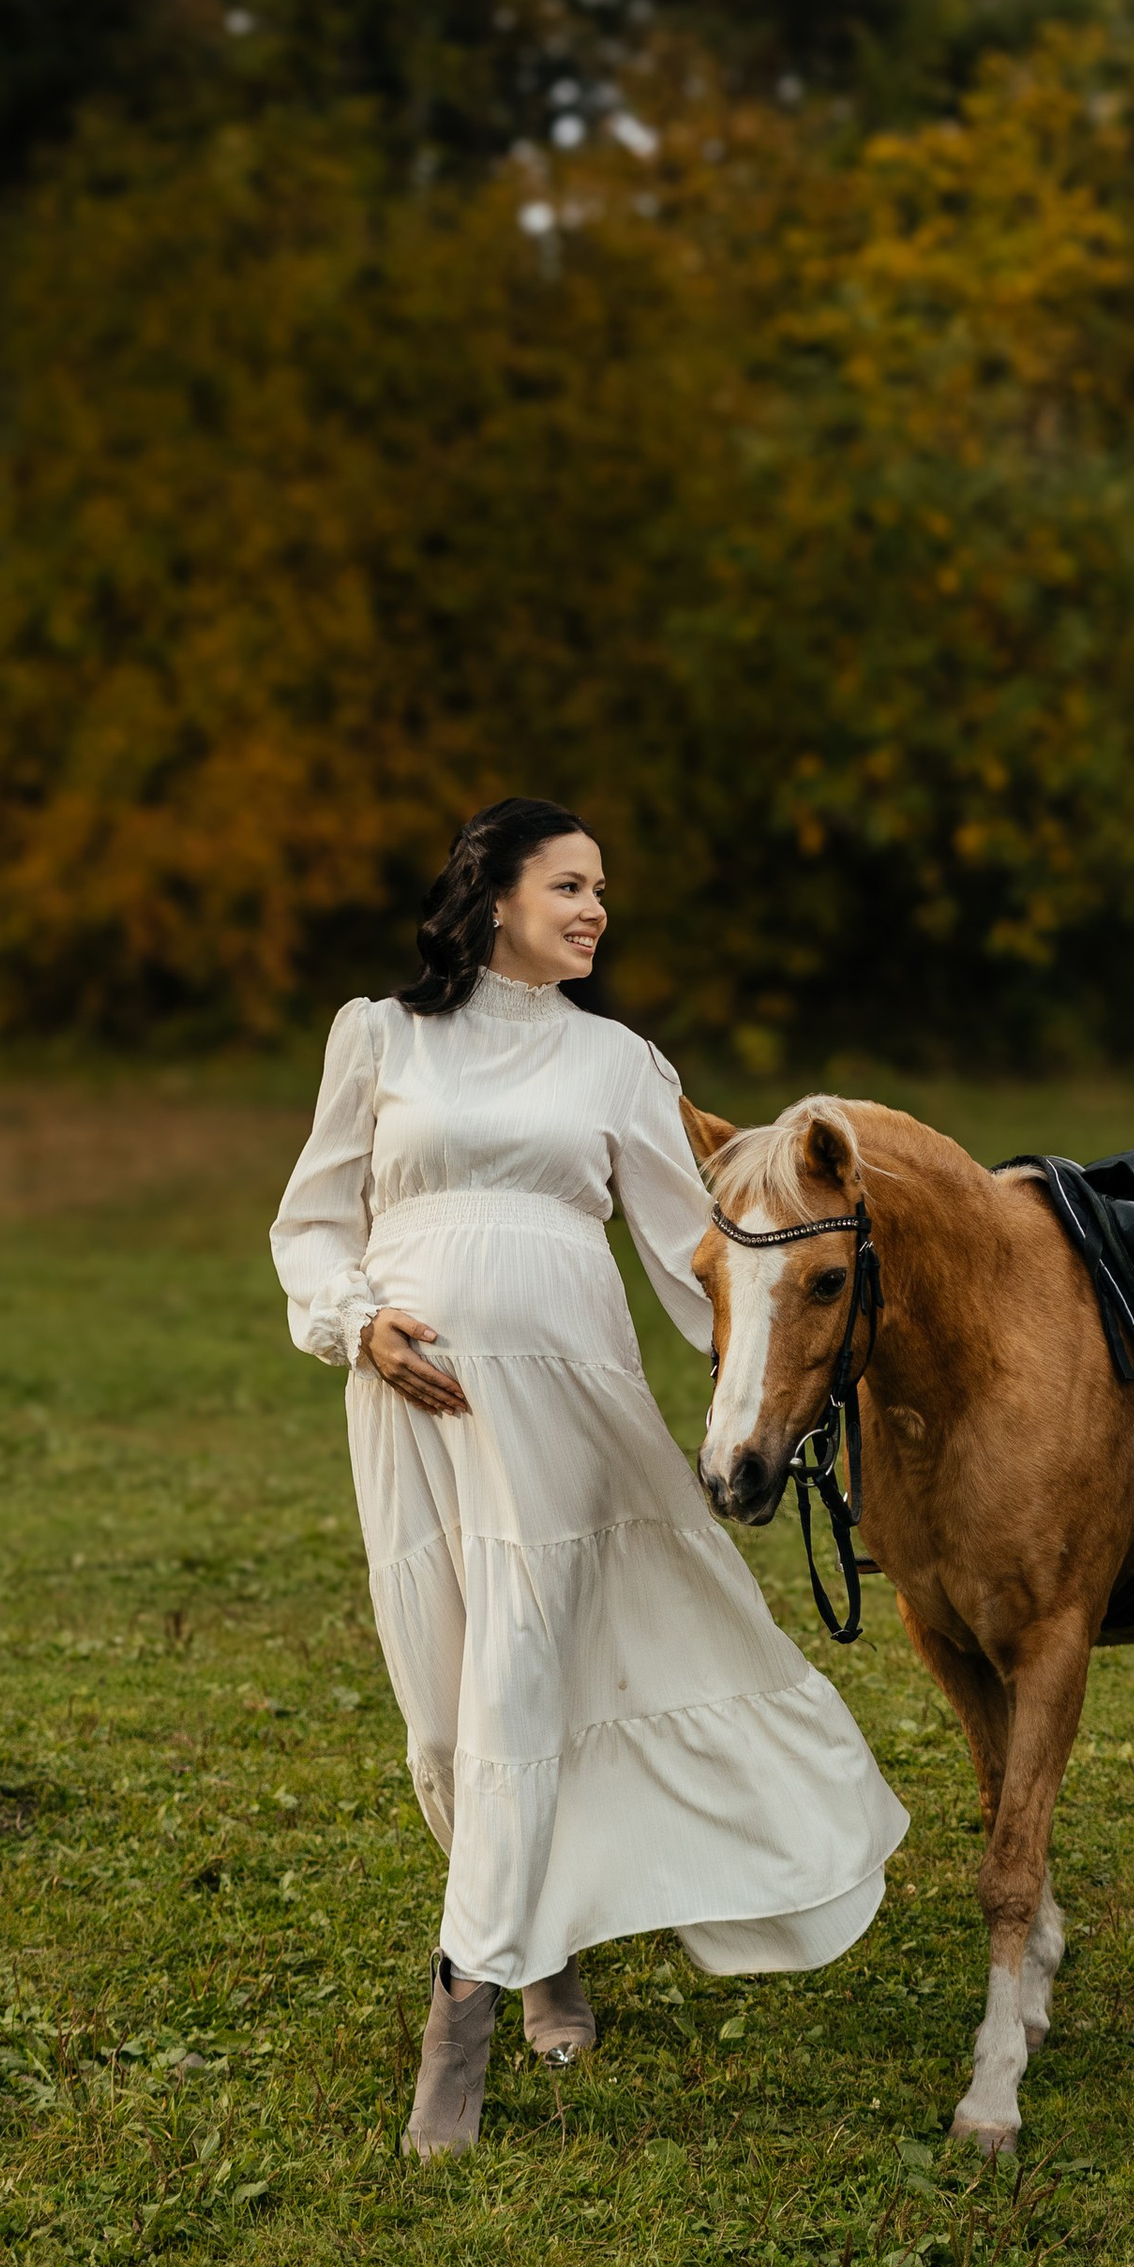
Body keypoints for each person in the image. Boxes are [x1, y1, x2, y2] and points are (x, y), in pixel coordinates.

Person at [270, 795, 907, 2159]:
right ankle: (535, 1935)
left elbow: (706, 1262)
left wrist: (795, 1369)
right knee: (445, 1720)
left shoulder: (620, 1062)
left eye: (601, 890)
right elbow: (315, 1221)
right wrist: (357, 1325)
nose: (595, 910)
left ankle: (463, 2016)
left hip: (569, 1407)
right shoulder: (376, 1036)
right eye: (568, 886)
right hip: (415, 1406)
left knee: (518, 1684)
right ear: (493, 896)